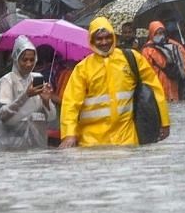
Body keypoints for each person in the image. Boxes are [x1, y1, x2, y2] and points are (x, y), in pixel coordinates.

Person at [58, 16, 170, 148]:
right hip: (91, 142)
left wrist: (164, 122)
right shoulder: (82, 69)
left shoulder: (132, 58)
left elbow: (155, 89)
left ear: (114, 37)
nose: (104, 42)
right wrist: (69, 134)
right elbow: (71, 104)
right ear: (91, 40)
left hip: (127, 138)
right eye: (99, 39)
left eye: (108, 37)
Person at [0, 36, 55, 151]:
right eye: (24, 60)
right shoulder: (7, 81)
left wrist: (46, 101)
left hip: (36, 148)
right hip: (10, 148)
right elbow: (4, 115)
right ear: (16, 59)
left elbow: (51, 117)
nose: (28, 64)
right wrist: (26, 96)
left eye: (32, 60)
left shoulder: (37, 79)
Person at [141, 20, 185, 102]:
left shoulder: (172, 44)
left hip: (173, 85)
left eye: (161, 32)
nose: (160, 35)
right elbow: (145, 70)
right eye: (157, 33)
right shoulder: (147, 50)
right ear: (151, 33)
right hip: (157, 86)